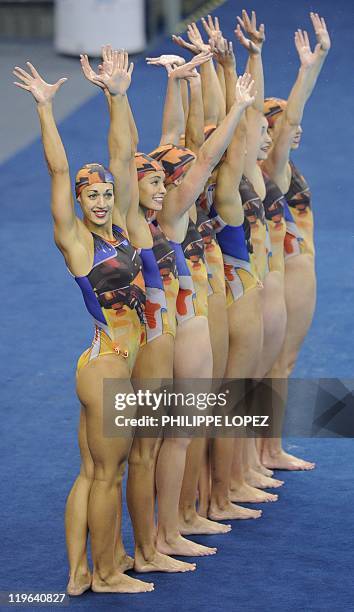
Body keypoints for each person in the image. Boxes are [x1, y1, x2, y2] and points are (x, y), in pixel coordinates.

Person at [13, 55, 155, 594]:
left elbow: (123, 152)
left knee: (92, 473)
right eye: (89, 195)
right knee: (108, 475)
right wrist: (46, 108)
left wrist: (116, 95)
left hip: (104, 363)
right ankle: (107, 572)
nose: (99, 201)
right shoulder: (76, 244)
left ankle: (77, 574)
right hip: (107, 369)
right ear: (77, 203)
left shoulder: (121, 226)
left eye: (104, 193)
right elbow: (56, 168)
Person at [261, 12, 330, 470]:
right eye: (282, 124)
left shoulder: (277, 170)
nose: (293, 128)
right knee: (274, 367)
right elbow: (290, 124)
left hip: (294, 267)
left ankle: (264, 449)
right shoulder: (270, 170)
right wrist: (312, 65)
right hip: (286, 271)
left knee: (280, 367)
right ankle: (262, 452)